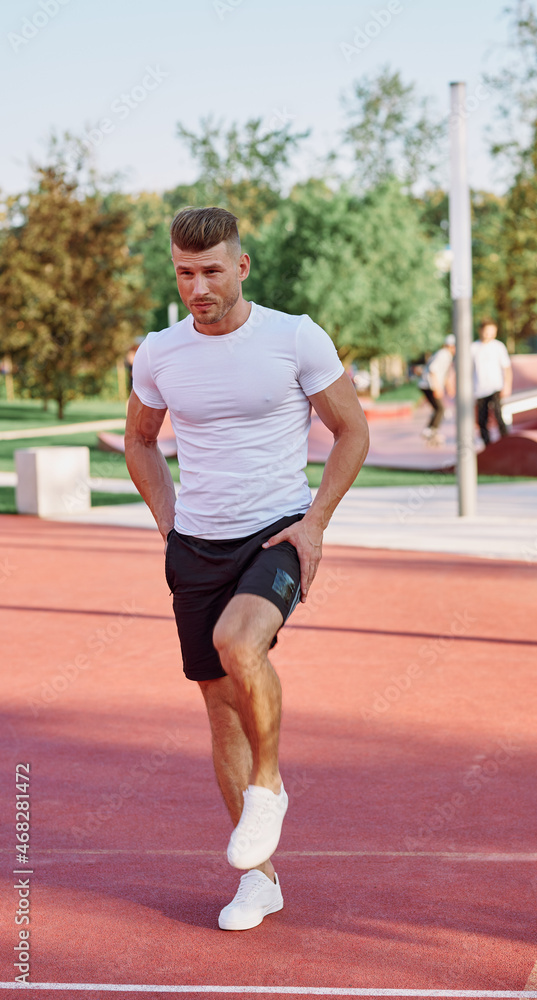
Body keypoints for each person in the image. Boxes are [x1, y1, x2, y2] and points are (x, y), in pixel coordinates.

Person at [124, 207, 369, 932]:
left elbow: (350, 430)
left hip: (275, 534)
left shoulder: (294, 336)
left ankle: (269, 787)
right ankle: (258, 880)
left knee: (240, 643)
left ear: (242, 267)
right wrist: (167, 520)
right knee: (220, 704)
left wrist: (316, 521)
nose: (197, 286)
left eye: (210, 271)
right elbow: (140, 441)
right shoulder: (160, 351)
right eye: (183, 272)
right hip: (195, 543)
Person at [470, 319, 512, 448]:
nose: (489, 335)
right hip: (479, 389)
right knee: (482, 419)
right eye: (487, 332)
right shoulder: (473, 347)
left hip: (495, 387)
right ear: (481, 331)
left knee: (499, 415)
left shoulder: (498, 346)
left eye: (492, 332)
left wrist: (507, 385)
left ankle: (506, 442)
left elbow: (507, 368)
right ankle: (487, 445)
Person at [418, 335, 456, 444]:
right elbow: (433, 370)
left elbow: (444, 374)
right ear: (451, 346)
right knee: (440, 409)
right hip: (428, 384)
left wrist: (449, 387)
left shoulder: (444, 354)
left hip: (427, 384)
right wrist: (437, 388)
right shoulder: (444, 354)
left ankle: (431, 429)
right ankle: (429, 430)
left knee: (438, 408)